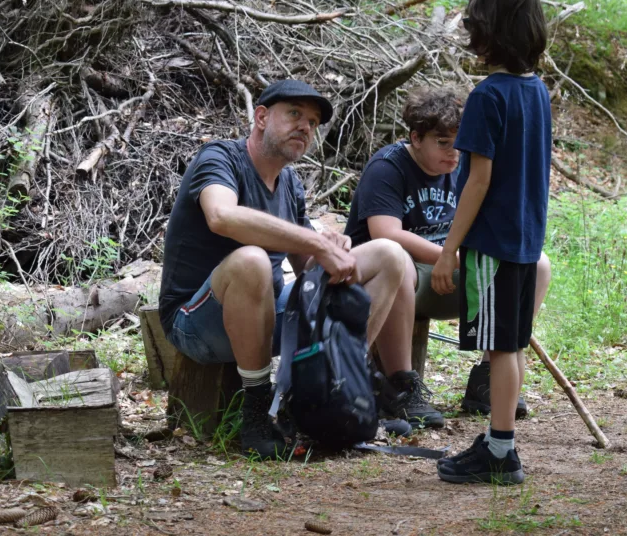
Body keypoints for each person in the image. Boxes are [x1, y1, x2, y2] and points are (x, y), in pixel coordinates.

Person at [158, 80, 443, 461]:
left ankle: (332, 394)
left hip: (267, 314)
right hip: (195, 322)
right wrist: (313, 241)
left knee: (389, 255)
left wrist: (331, 251)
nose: (305, 127)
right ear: (261, 117)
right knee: (252, 259)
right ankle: (257, 411)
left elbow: (305, 266)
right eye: (294, 114)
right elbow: (221, 216)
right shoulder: (220, 158)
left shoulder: (290, 182)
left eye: (312, 122)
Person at [344, 87, 551, 420]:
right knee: (398, 260)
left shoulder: (465, 170)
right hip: (393, 282)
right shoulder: (388, 168)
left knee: (537, 265)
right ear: (416, 137)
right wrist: (451, 258)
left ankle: (487, 379)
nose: (453, 152)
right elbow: (386, 233)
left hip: (446, 274)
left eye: (459, 141)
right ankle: (401, 386)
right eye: (442, 142)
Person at [432, 0, 552, 485]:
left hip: (494, 244)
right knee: (511, 344)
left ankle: (501, 453)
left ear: (489, 31)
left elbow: (477, 180)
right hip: (525, 239)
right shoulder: (537, 91)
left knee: (502, 348)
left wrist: (448, 251)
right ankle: (498, 441)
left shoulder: (487, 96)